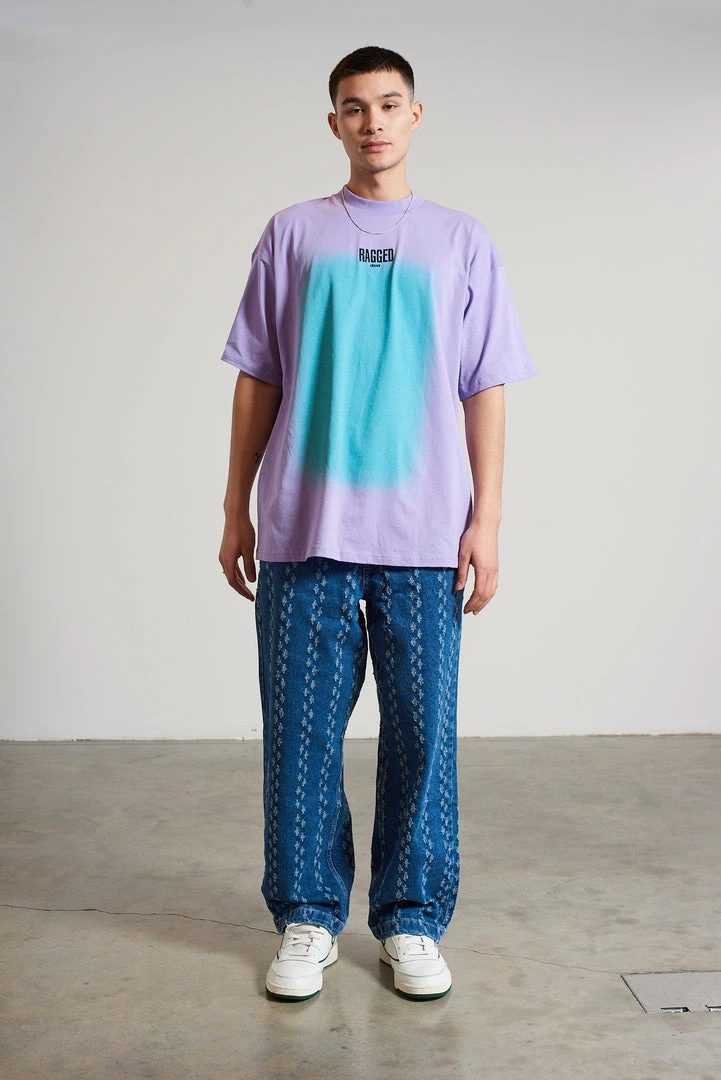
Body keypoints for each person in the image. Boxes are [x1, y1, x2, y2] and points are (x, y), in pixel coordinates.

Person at [218, 44, 538, 1002]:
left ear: (415, 115)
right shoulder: (293, 234)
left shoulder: (460, 241)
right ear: (334, 123)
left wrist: (487, 519)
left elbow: (485, 384)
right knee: (300, 735)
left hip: (425, 532)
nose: (372, 122)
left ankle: (410, 921)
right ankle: (309, 917)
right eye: (354, 108)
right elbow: (257, 375)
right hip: (304, 526)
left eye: (389, 105)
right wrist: (234, 505)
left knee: (422, 737)